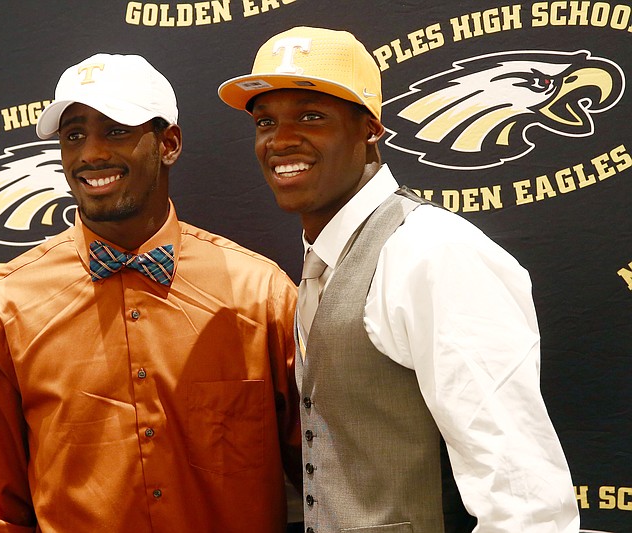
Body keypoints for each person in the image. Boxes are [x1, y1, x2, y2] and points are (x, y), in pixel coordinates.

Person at [218, 26, 580, 533]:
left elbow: (524, 500)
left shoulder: (432, 251)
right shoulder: (326, 259)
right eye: (265, 122)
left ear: (370, 129)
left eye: (311, 116)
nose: (280, 139)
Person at [0, 52, 302, 532]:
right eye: (73, 136)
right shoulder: (2, 307)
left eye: (115, 130)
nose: (90, 154)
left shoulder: (260, 294)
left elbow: (329, 474)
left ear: (168, 143)